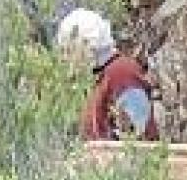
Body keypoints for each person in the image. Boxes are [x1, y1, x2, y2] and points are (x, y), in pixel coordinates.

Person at [56, 10, 159, 143]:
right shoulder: (102, 77)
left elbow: (140, 135)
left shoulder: (122, 73)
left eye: (69, 49)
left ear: (88, 44)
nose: (65, 57)